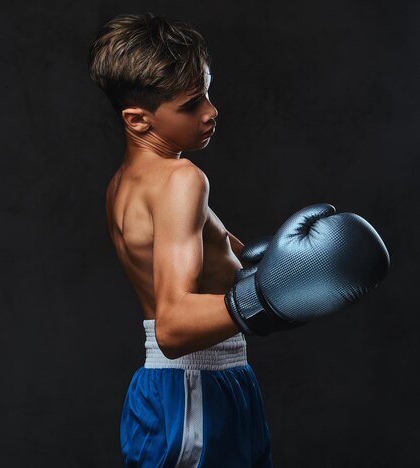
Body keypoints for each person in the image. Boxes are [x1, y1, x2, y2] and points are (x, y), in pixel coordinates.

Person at [87, 12, 389, 467]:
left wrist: (270, 272)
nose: (210, 111)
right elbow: (171, 328)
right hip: (195, 390)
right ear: (138, 120)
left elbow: (220, 267)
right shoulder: (181, 180)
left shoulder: (124, 183)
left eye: (207, 92)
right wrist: (262, 298)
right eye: (191, 104)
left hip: (199, 385)